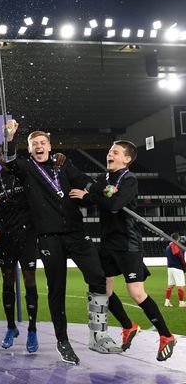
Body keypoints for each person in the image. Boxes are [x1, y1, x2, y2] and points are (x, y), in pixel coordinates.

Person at [4, 121, 121, 364]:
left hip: (76, 233)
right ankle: (62, 340)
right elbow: (7, 159)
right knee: (57, 289)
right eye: (34, 144)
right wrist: (10, 137)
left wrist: (104, 190)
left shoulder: (62, 165)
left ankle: (98, 333)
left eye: (42, 143)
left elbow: (85, 181)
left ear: (50, 146)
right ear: (29, 149)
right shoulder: (26, 169)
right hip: (49, 237)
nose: (39, 146)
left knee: (98, 277)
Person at [70, 140, 176, 361]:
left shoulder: (129, 180)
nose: (110, 154)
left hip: (128, 244)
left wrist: (91, 194)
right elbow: (95, 199)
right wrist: (95, 192)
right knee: (104, 290)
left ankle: (166, 336)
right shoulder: (106, 179)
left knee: (136, 293)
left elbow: (114, 206)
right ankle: (129, 326)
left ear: (126, 159)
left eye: (115, 152)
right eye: (109, 151)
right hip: (108, 243)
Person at [0, 144, 39, 352]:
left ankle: (32, 329)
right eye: (1, 154)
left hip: (27, 236)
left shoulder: (26, 174)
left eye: (8, 154)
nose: (5, 157)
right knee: (7, 281)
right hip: (6, 239)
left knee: (29, 281)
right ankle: (11, 327)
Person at [164, 234, 186, 307]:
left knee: (170, 286)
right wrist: (184, 268)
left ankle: (167, 302)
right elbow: (181, 258)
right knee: (180, 286)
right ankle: (181, 303)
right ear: (178, 238)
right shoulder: (176, 246)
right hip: (177, 268)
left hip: (170, 268)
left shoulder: (167, 247)